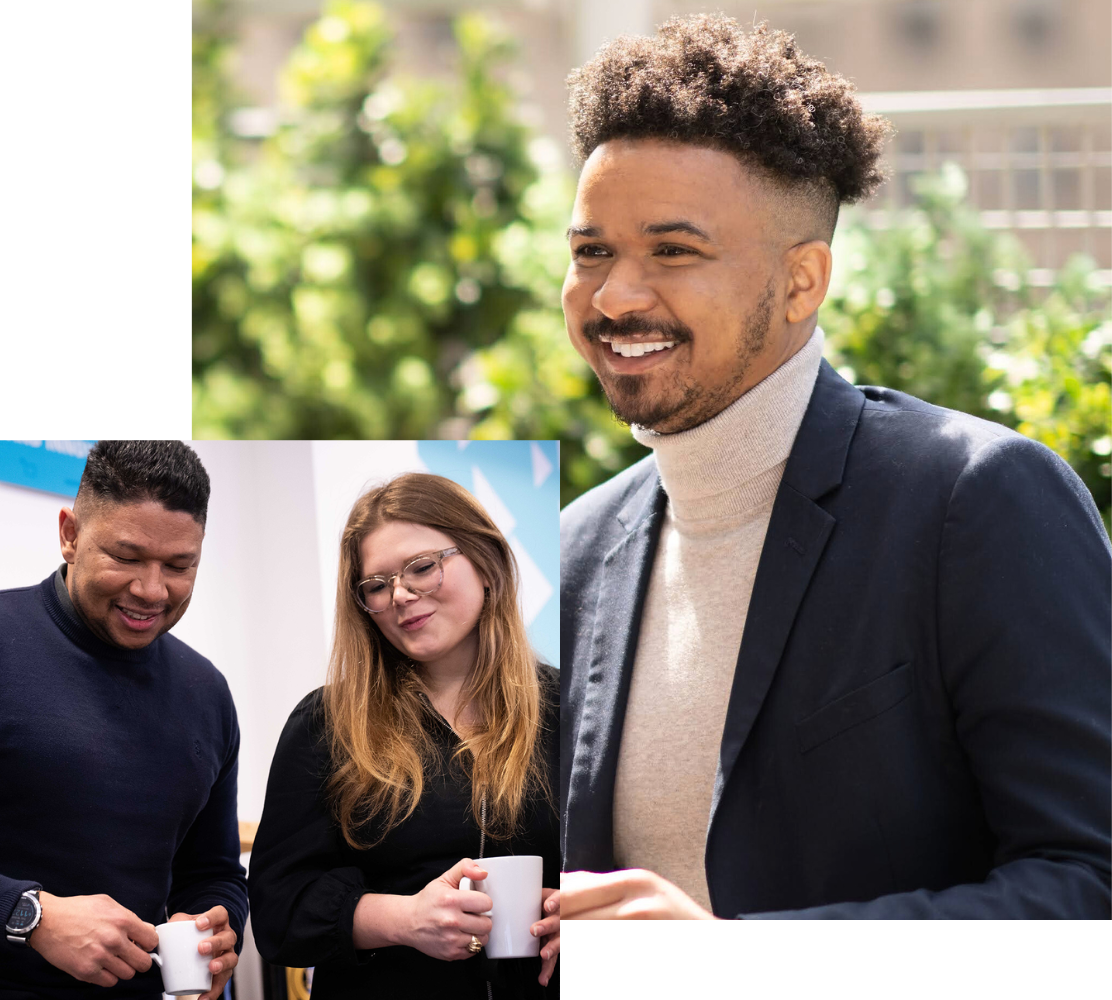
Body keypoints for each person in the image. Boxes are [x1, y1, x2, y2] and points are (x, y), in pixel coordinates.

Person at [559, 15, 1112, 919]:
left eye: (674, 250)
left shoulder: (976, 502)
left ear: (802, 281)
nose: (616, 295)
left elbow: (1090, 878)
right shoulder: (577, 547)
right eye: (591, 253)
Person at [249, 472, 560, 996]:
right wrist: (404, 919)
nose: (400, 594)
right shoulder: (327, 723)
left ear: (486, 563)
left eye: (422, 567)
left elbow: (631, 866)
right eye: (376, 584)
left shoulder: (568, 710)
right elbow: (279, 911)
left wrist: (584, 909)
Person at [0, 439, 248, 997]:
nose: (151, 589)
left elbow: (212, 871)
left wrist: (216, 925)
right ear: (70, 534)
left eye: (180, 566)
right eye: (128, 557)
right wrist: (26, 914)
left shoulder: (206, 691)